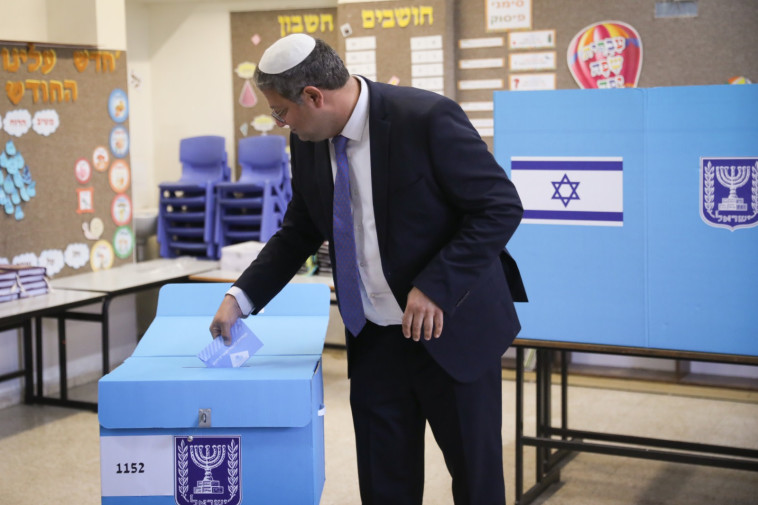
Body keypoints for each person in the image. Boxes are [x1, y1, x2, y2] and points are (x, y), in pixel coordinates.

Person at [209, 33, 527, 505]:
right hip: (375, 338)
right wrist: (241, 296)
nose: (281, 124)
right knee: (384, 485)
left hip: (452, 330)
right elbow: (299, 228)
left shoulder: (425, 118)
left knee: (475, 482)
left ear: (314, 97)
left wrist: (436, 285)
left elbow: (499, 207)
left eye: (281, 112)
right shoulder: (310, 138)